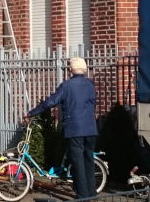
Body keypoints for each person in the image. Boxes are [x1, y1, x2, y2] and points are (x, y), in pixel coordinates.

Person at [24, 56, 98, 199]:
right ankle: (92, 193)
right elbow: (93, 104)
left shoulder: (67, 86)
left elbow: (50, 102)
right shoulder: (90, 85)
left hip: (74, 128)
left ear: (71, 69)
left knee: (78, 163)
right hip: (90, 128)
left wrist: (32, 113)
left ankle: (83, 196)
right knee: (88, 160)